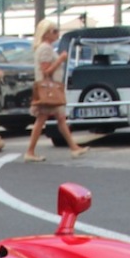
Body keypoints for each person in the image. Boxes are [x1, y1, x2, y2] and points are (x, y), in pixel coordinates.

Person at [23, 20, 88, 163]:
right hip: (49, 90)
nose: (57, 34)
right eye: (54, 31)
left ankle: (73, 147)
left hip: (50, 90)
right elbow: (46, 71)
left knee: (59, 118)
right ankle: (30, 151)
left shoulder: (46, 47)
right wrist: (60, 59)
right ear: (46, 34)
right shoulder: (45, 49)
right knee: (43, 119)